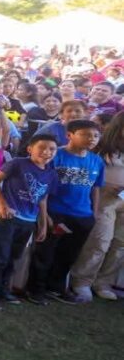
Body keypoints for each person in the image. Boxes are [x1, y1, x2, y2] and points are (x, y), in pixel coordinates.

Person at [28, 119, 104, 305]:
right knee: (45, 252)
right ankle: (35, 289)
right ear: (70, 135)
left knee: (69, 254)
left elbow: (95, 188)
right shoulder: (56, 156)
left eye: (95, 135)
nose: (92, 139)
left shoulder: (96, 160)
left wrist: (93, 214)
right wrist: (45, 216)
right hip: (56, 213)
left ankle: (55, 288)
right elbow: (42, 185)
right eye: (85, 134)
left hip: (82, 216)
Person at [0, 133, 58, 309]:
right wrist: (2, 204)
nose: (47, 152)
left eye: (52, 149)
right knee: (0, 256)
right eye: (42, 147)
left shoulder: (51, 174)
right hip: (8, 217)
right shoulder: (18, 163)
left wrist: (43, 224)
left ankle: (3, 290)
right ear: (30, 148)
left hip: (29, 221)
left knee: (13, 257)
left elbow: (42, 199)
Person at [70, 111, 124, 301]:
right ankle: (82, 281)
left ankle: (103, 282)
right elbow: (86, 170)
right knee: (100, 242)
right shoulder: (101, 146)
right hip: (103, 199)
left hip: (122, 201)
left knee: (120, 245)